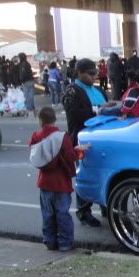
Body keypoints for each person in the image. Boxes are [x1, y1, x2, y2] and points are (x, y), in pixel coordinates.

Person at [62, 58, 114, 227]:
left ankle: (106, 206)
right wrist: (100, 109)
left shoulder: (99, 90)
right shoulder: (71, 91)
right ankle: (84, 211)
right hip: (82, 139)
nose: (93, 77)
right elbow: (76, 114)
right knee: (86, 175)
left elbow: (106, 110)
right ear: (79, 73)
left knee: (105, 173)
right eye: (90, 74)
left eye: (95, 73)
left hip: (102, 138)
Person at [28, 106, 85, 251]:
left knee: (48, 214)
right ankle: (65, 243)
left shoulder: (36, 136)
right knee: (62, 214)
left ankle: (50, 242)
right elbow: (70, 156)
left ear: (41, 121)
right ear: (54, 119)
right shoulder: (62, 137)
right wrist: (78, 150)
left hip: (44, 183)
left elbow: (34, 151)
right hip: (61, 184)